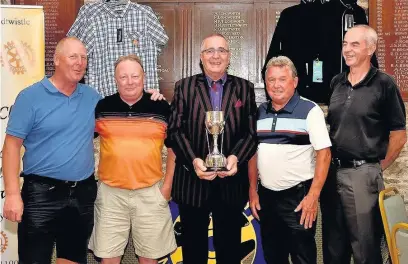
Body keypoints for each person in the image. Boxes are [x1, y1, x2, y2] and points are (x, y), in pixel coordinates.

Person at [2, 37, 163, 264]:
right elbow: (10, 146)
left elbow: (125, 105)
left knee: (73, 258)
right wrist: (11, 194)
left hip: (81, 194)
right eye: (73, 57)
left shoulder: (93, 98)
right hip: (40, 194)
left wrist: (151, 97)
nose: (80, 62)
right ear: (56, 60)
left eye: (84, 57)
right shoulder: (30, 97)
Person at [168, 33, 257, 264]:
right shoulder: (184, 87)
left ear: (229, 57)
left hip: (230, 185)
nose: (215, 55)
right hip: (192, 183)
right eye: (210, 51)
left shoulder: (244, 88)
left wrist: (236, 157)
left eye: (221, 51)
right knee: (193, 253)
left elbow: (251, 133)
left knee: (229, 253)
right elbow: (175, 131)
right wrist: (194, 161)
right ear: (201, 57)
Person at [321, 25, 407, 264]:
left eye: (354, 44)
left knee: (365, 249)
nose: (347, 49)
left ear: (371, 48)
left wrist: (376, 167)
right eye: (345, 44)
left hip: (363, 175)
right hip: (332, 175)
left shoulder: (384, 84)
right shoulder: (336, 83)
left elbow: (399, 135)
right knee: (333, 247)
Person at [88, 54, 177, 264]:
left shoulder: (161, 107)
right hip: (111, 194)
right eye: (123, 77)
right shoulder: (102, 107)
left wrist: (167, 188)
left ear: (144, 77)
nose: (129, 81)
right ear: (115, 79)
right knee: (108, 258)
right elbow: (82, 141)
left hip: (150, 193)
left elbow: (174, 150)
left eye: (135, 76)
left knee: (149, 259)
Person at [249, 56, 332, 264]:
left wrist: (313, 196)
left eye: (282, 79)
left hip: (298, 199)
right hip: (267, 198)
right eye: (271, 80)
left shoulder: (310, 111)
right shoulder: (260, 112)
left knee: (302, 258)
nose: (276, 85)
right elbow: (253, 153)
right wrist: (253, 190)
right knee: (273, 257)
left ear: (294, 82)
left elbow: (325, 153)